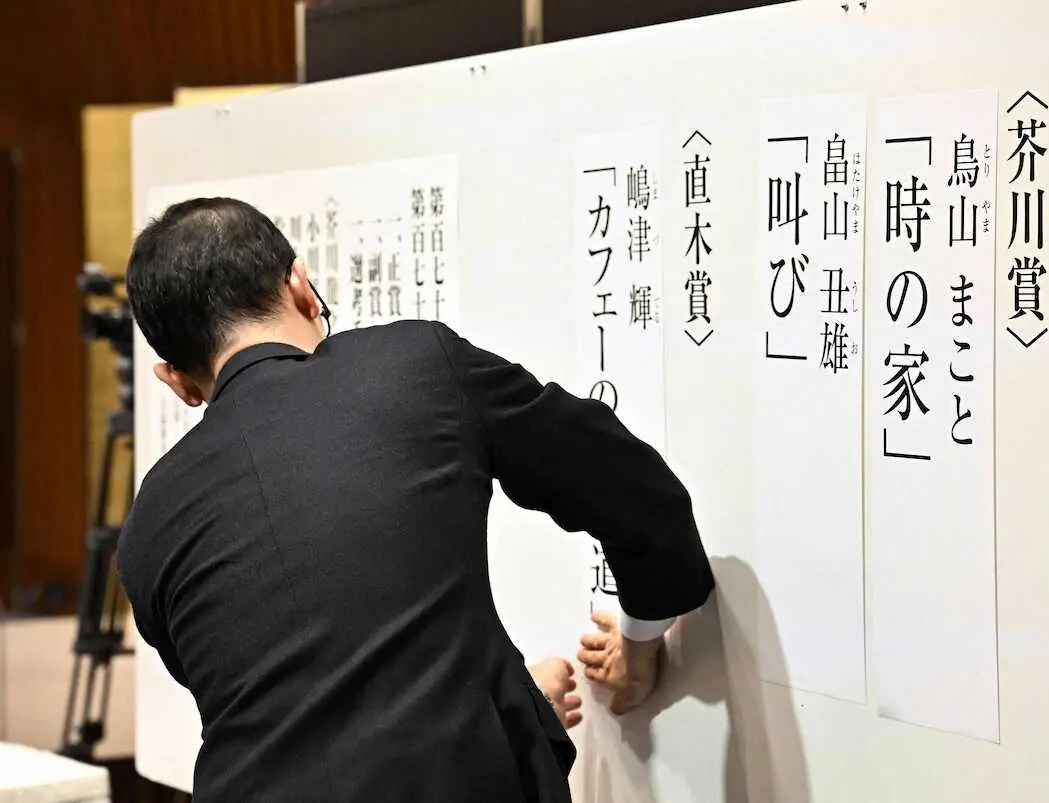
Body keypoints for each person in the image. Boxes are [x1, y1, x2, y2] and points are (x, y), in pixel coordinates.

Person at [116, 197, 714, 802]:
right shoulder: (415, 365)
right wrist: (636, 650)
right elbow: (635, 493)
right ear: (301, 285)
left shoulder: (150, 524)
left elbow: (292, 705)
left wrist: (515, 705)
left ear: (178, 380)